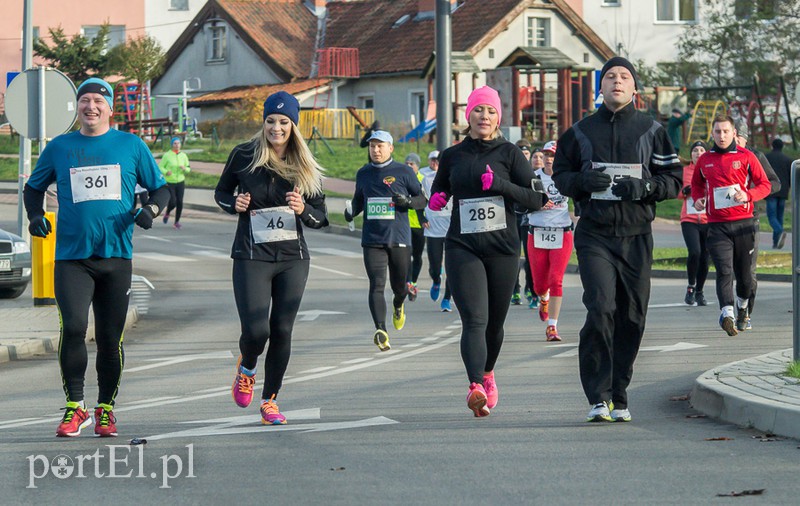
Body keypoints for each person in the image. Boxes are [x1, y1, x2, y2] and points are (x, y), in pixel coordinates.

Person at [23, 77, 169, 437]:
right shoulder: (60, 147)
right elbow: (33, 188)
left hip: (116, 257)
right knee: (73, 327)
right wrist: (35, 216)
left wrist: (149, 209)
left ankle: (105, 408)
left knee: (109, 338)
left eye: (98, 101)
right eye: (85, 100)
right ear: (78, 106)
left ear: (110, 107)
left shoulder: (130, 146)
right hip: (72, 258)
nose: (91, 107)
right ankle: (75, 406)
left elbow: (161, 189)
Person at [552, 57, 682, 423]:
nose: (617, 81)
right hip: (594, 234)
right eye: (610, 76)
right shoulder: (579, 131)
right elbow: (561, 174)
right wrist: (581, 183)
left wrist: (646, 187)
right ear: (601, 87)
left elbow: (673, 178)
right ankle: (598, 396)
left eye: (624, 76)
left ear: (634, 88)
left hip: (637, 234)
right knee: (600, 307)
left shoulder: (651, 129)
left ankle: (619, 394)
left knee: (632, 316)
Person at [429, 86, 547, 417]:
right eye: (479, 110)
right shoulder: (453, 155)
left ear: (499, 117)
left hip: (502, 249)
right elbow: (440, 188)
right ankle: (474, 386)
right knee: (475, 320)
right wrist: (439, 198)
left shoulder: (510, 154)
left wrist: (500, 186)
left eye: (491, 111)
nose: (485, 116)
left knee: (495, 324)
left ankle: (488, 373)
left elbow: (536, 199)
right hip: (462, 246)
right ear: (468, 115)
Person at [216, 91, 328, 425]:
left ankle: (270, 401)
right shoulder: (244, 155)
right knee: (256, 330)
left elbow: (322, 217)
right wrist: (233, 203)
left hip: (292, 258)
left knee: (282, 329)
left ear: (293, 125)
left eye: (283, 122)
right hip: (252, 255)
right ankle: (247, 366)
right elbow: (221, 192)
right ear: (262, 122)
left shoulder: (304, 163)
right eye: (270, 121)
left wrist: (303, 209)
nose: (276, 128)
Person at [691, 114, 771, 337]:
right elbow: (696, 184)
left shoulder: (746, 156)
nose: (722, 136)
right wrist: (698, 199)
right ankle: (726, 313)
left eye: (726, 131)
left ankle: (742, 307)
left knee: (745, 277)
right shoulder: (705, 159)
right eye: (717, 132)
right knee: (724, 271)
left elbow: (765, 184)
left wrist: (748, 195)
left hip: (744, 225)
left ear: (734, 133)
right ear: (712, 134)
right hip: (717, 226)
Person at [344, 130, 425, 351]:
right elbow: (358, 201)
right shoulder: (363, 173)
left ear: (390, 148)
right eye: (372, 146)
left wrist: (407, 201)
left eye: (380, 146)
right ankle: (381, 329)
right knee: (376, 285)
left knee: (399, 288)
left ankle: (398, 304)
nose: (376, 150)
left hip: (399, 238)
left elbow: (422, 200)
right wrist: (351, 212)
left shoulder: (403, 171)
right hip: (372, 238)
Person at [734, 122, 779, 330]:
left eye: (736, 137)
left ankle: (745, 313)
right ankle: (728, 310)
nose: (732, 141)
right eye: (726, 134)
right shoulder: (715, 156)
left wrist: (752, 190)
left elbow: (774, 182)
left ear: (744, 138)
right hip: (722, 220)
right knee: (728, 269)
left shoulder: (755, 156)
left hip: (750, 219)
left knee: (748, 270)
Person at [527, 140, 573, 342]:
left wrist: (580, 213)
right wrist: (535, 204)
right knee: (539, 285)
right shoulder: (532, 178)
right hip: (537, 232)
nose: (549, 159)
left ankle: (552, 327)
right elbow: (522, 200)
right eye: (546, 155)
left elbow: (580, 196)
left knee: (556, 280)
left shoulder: (567, 177)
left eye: (553, 155)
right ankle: (543, 298)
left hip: (562, 232)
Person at [420, 150, 453, 311]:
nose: (437, 164)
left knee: (452, 266)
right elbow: (420, 200)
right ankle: (436, 280)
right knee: (434, 265)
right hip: (432, 228)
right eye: (434, 161)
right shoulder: (427, 179)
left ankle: (447, 298)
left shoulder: (455, 178)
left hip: (451, 228)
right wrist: (422, 218)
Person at [679, 140, 710, 306]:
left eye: (702, 150)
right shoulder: (684, 171)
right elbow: (676, 192)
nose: (698, 153)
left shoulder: (711, 168)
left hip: (708, 219)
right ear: (691, 154)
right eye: (695, 150)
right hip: (689, 219)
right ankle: (691, 286)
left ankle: (700, 291)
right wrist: (685, 192)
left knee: (705, 256)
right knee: (695, 252)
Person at [511, 138, 535, 307]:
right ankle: (514, 291)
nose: (524, 156)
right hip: (513, 218)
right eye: (521, 153)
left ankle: (530, 287)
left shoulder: (535, 173)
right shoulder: (510, 171)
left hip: (529, 221)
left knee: (529, 256)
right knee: (513, 256)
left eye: (526, 153)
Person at [404, 152, 426, 301]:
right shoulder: (402, 180)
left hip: (419, 224)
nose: (408, 166)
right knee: (406, 256)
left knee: (417, 256)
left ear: (417, 166)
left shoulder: (423, 180)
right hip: (404, 225)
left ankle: (414, 282)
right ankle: (409, 283)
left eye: (411, 164)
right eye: (407, 163)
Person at [764, 138, 793, 249]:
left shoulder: (767, 158)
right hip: (783, 192)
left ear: (772, 146)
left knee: (772, 216)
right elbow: (791, 176)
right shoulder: (788, 160)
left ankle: (779, 231)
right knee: (779, 217)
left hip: (771, 191)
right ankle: (776, 243)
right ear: (782, 146)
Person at [159, 136, 191, 229]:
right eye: (175, 143)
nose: (177, 145)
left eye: (178, 143)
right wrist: (166, 172)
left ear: (180, 145)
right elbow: (160, 167)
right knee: (173, 202)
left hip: (180, 181)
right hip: (170, 182)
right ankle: (168, 213)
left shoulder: (183, 156)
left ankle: (176, 222)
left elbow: (188, 168)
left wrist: (185, 169)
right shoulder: (167, 155)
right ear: (172, 145)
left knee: (180, 202)